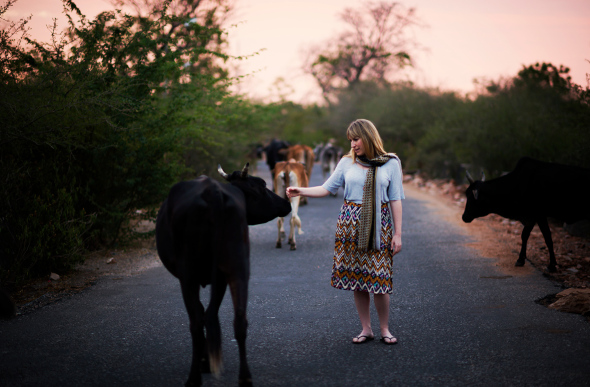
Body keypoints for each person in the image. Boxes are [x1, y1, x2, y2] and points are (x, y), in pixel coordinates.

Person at [286, 119, 404, 345]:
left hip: (379, 226)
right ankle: (366, 329)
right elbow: (326, 188)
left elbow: (395, 199)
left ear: (368, 137)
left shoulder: (390, 163)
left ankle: (385, 329)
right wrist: (300, 190)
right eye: (350, 140)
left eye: (356, 139)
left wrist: (398, 234)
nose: (352, 144)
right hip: (348, 225)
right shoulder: (345, 163)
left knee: (379, 279)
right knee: (358, 279)